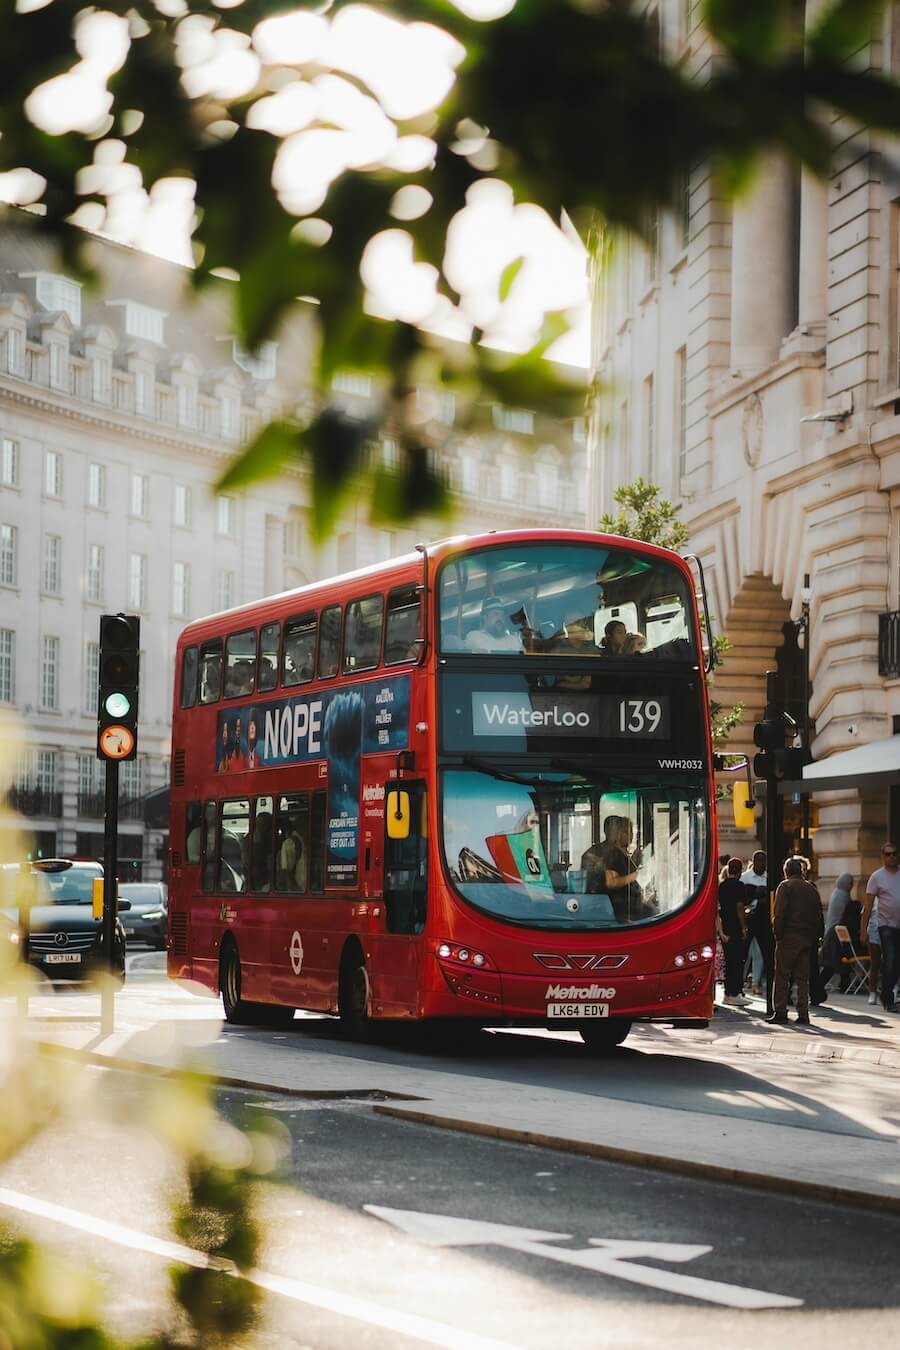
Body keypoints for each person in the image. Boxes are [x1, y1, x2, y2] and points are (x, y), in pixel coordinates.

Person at [768, 857, 824, 1025]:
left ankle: (780, 1011)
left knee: (782, 975)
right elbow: (818, 915)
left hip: (788, 936)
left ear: (786, 872)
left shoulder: (785, 886)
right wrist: (813, 936)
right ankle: (803, 1013)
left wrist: (777, 934)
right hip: (806, 938)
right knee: (802, 978)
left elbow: (780, 913)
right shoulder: (811, 888)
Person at [581, 815, 651, 922]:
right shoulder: (608, 852)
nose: (630, 836)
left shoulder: (619, 852)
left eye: (631, 832)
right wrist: (636, 875)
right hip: (615, 910)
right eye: (625, 831)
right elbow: (611, 882)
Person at [861, 843, 900, 1013]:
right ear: (882, 856)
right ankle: (887, 998)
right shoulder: (876, 877)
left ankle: (890, 994)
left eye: (894, 854)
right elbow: (868, 906)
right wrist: (863, 931)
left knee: (896, 962)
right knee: (890, 959)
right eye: (888, 854)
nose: (892, 857)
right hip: (885, 925)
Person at [718, 857, 750, 1006]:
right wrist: (744, 926)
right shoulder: (739, 886)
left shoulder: (721, 886)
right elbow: (739, 908)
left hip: (725, 927)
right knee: (737, 961)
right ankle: (735, 993)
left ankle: (728, 992)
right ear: (740, 871)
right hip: (735, 927)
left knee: (728, 961)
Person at [741, 851, 771, 997]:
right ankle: (739, 983)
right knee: (744, 952)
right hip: (748, 917)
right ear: (754, 861)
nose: (762, 864)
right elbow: (741, 899)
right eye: (759, 861)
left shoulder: (769, 878)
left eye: (764, 861)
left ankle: (756, 983)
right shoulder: (745, 877)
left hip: (763, 918)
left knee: (760, 951)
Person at [818, 873, 854, 994]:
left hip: (834, 931)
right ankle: (821, 985)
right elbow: (843, 916)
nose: (852, 886)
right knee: (833, 962)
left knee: (835, 961)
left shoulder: (837, 893)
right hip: (837, 933)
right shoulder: (842, 896)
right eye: (851, 883)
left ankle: (844, 983)